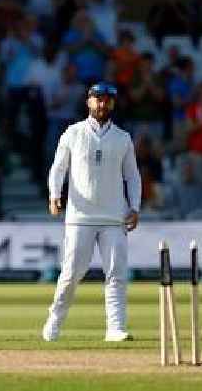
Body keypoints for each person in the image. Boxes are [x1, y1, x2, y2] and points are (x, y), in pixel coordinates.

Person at [43, 83, 141, 342]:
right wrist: (54, 195)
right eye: (98, 99)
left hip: (114, 218)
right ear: (88, 102)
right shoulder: (73, 133)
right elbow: (58, 168)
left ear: (113, 104)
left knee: (116, 275)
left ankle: (115, 328)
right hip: (79, 217)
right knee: (72, 273)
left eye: (107, 100)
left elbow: (132, 176)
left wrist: (135, 207)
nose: (102, 104)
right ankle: (54, 321)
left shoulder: (123, 138)